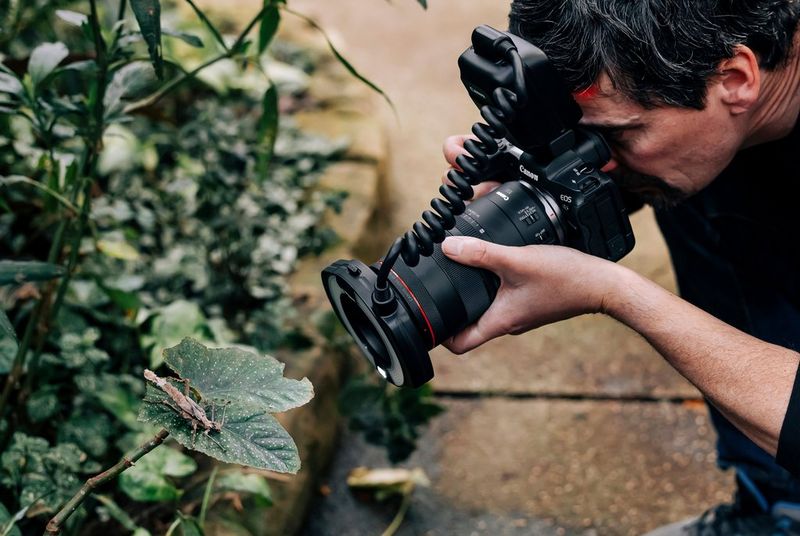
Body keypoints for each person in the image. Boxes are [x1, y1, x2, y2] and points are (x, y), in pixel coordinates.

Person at [439, 1, 800, 534]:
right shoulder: (697, 122)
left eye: (618, 136)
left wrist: (616, 293)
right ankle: (778, 505)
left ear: (735, 78)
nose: (601, 157)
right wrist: (536, 185)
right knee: (681, 182)